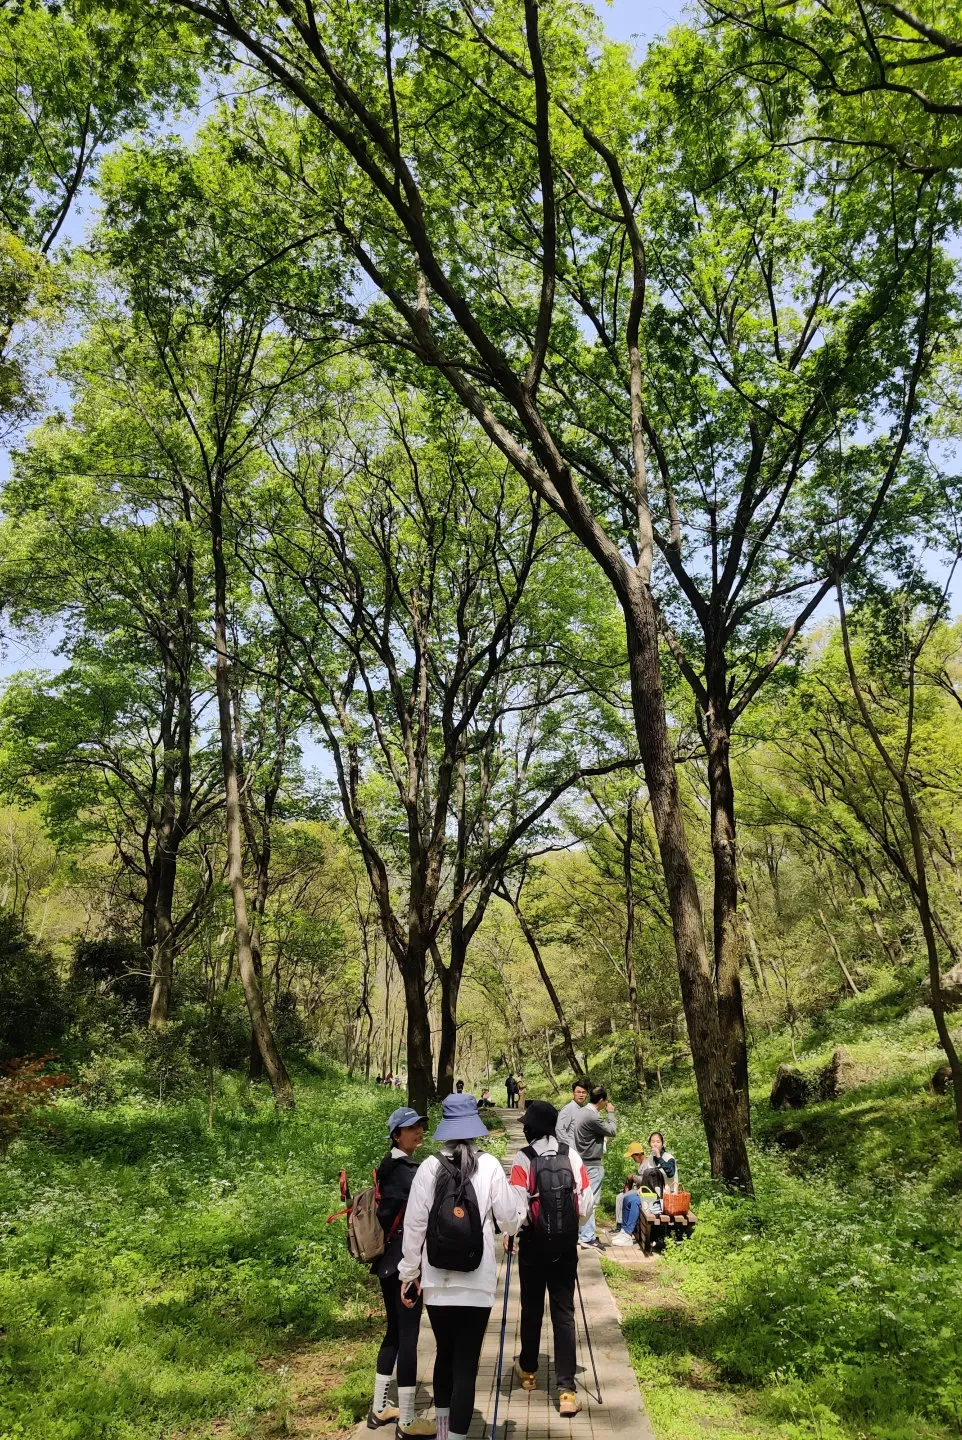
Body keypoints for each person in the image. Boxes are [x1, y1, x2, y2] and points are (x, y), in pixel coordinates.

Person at [399, 1093, 523, 1440]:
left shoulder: (428, 1167)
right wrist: (518, 1215)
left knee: (444, 1355)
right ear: (474, 1126)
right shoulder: (490, 1166)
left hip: (437, 1281)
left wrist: (409, 1274)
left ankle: (442, 1432)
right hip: (478, 1281)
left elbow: (415, 1226)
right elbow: (509, 1220)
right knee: (466, 1365)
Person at [508, 1100, 594, 1417]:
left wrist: (511, 1232)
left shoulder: (523, 1159)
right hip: (564, 1246)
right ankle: (567, 1390)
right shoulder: (571, 1155)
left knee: (531, 1309)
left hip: (533, 1246)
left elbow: (517, 1210)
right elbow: (586, 1203)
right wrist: (570, 1227)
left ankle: (529, 1373)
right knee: (564, 1313)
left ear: (531, 1129)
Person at [369, 1106, 435, 1435]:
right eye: (411, 1128)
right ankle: (407, 1421)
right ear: (397, 1135)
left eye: (420, 1125)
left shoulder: (390, 1165)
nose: (418, 1131)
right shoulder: (407, 1171)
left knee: (395, 1333)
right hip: (405, 1266)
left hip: (387, 1263)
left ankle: (380, 1408)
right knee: (408, 1337)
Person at [572, 1085, 616, 1250]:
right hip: (592, 1164)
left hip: (582, 1161)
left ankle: (582, 1234)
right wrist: (611, 1113)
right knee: (591, 1201)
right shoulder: (592, 1116)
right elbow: (612, 1130)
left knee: (583, 1198)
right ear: (602, 1100)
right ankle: (588, 1237)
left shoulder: (582, 1112)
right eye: (606, 1102)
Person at [611, 1143, 663, 1247]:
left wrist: (633, 1177)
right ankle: (624, 1230)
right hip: (642, 1190)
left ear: (638, 1154)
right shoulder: (643, 1163)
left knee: (631, 1200)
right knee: (625, 1198)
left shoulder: (648, 1163)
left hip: (649, 1193)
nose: (632, 1158)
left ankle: (627, 1232)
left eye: (633, 1156)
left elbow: (646, 1180)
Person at [556, 1079, 589, 1149]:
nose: (581, 1095)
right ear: (573, 1093)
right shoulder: (568, 1108)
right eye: (578, 1092)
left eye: (584, 1092)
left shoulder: (583, 1109)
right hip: (571, 1150)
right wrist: (571, 1147)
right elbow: (559, 1129)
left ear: (587, 1094)